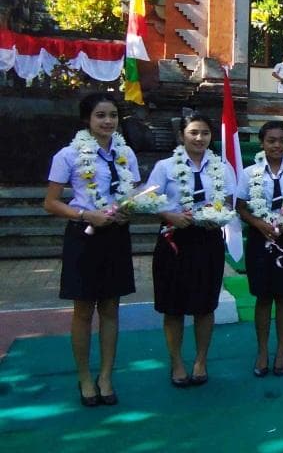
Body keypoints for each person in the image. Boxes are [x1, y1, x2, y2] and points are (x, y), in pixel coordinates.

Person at [44, 93, 141, 406]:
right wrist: (86, 214)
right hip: (83, 236)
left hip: (115, 235)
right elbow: (51, 202)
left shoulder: (126, 153)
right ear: (87, 119)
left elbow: (133, 194)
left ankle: (106, 375)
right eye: (101, 115)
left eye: (113, 115)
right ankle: (85, 376)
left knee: (111, 308)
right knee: (84, 310)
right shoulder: (69, 155)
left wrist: (130, 210)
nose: (108, 121)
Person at [147, 113, 237, 388]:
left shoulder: (222, 168)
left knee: (205, 305)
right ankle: (176, 362)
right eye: (194, 133)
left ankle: (200, 359)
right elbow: (148, 201)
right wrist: (169, 215)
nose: (200, 138)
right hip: (174, 240)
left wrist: (218, 216)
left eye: (205, 133)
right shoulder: (165, 167)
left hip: (207, 240)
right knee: (173, 307)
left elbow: (229, 203)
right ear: (182, 135)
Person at [235, 121, 283, 377]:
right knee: (263, 296)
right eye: (271, 140)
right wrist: (258, 223)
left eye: (282, 140)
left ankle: (281, 350)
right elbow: (241, 206)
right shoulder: (250, 173)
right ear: (262, 143)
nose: (277, 145)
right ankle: (262, 351)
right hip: (260, 239)